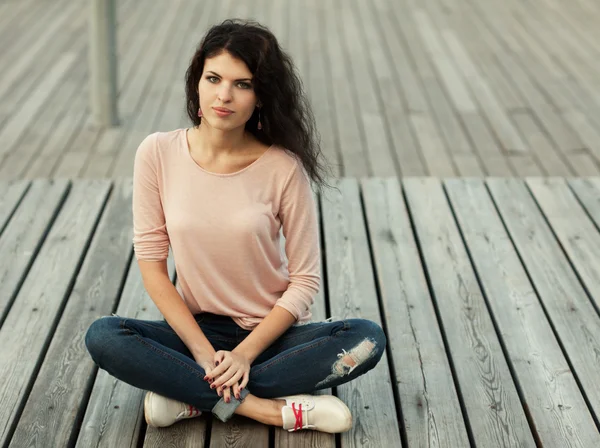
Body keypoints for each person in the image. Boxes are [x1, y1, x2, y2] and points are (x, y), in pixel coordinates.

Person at [84, 19, 386, 434]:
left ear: (261, 97)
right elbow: (153, 268)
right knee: (104, 336)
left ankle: (191, 397)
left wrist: (243, 355)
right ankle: (267, 410)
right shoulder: (157, 153)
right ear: (197, 83)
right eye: (213, 78)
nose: (223, 95)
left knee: (366, 337)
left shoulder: (283, 168)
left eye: (242, 84)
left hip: (269, 337)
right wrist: (205, 354)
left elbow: (304, 281)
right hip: (197, 331)